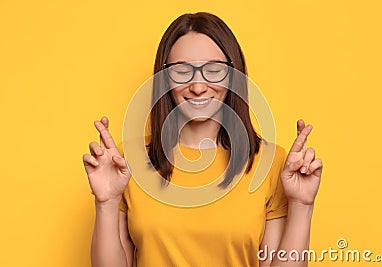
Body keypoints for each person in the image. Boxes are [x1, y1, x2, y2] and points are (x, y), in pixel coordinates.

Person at [83, 12, 323, 267]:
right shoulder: (128, 160)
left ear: (233, 75)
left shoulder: (270, 162)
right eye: (181, 71)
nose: (198, 86)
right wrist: (106, 202)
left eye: (214, 70)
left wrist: (301, 205)